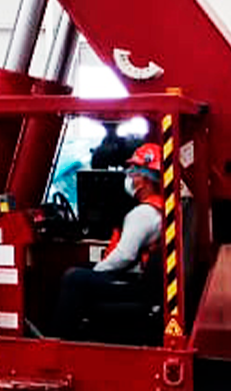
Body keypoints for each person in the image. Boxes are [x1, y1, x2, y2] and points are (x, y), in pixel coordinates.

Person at [53, 143, 164, 342]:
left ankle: (61, 340)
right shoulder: (159, 209)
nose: (129, 177)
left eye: (134, 172)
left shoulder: (143, 214)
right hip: (142, 279)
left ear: (145, 180)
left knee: (73, 278)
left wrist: (97, 271)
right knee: (83, 270)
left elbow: (125, 255)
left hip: (135, 283)